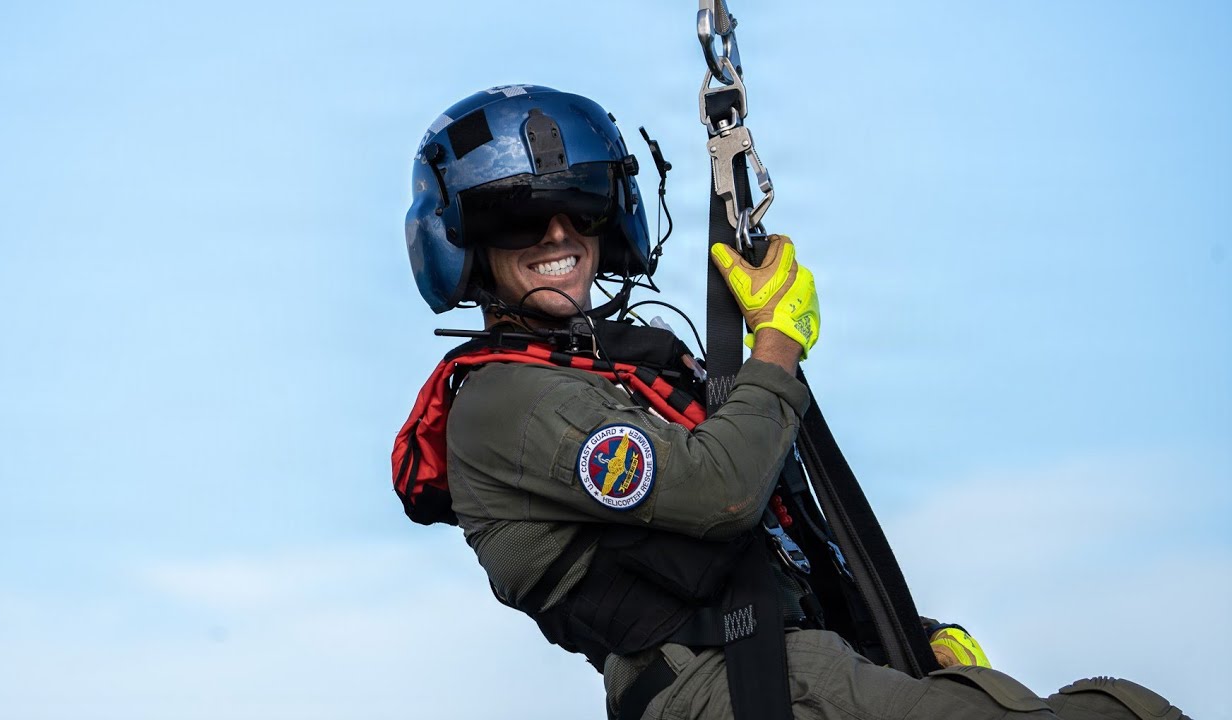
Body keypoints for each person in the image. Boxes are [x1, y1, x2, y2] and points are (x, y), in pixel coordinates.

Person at [394, 85, 1188, 720]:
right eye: (518, 218)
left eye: (582, 203)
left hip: (796, 660)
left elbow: (774, 539)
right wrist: (776, 342)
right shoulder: (504, 402)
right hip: (728, 685)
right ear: (466, 247)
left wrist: (899, 632)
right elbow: (722, 493)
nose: (557, 234)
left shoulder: (630, 371)